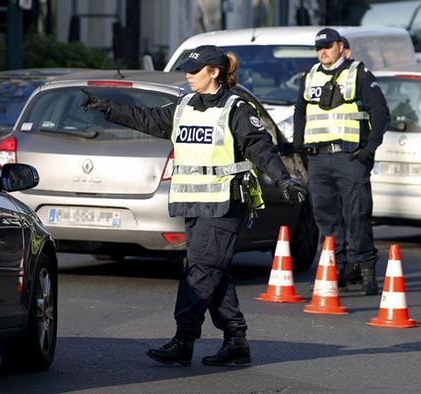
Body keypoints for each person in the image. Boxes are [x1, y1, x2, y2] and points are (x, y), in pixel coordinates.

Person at [80, 45, 307, 367]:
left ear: (214, 72)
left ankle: (184, 339)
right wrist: (107, 107)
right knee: (212, 271)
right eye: (187, 69)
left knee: (199, 272)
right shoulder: (185, 104)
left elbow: (260, 148)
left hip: (225, 203)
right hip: (193, 203)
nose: (188, 75)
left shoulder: (236, 108)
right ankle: (236, 340)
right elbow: (148, 119)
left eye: (194, 70)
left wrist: (282, 179)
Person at [293, 28, 390, 295]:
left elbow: (381, 113)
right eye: (318, 48)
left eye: (327, 46)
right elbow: (300, 110)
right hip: (319, 159)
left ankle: (366, 269)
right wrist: (299, 141)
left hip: (350, 157)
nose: (322, 52)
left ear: (340, 46)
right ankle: (338, 268)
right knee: (325, 217)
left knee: (356, 214)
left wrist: (369, 149)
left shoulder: (359, 73)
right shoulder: (310, 76)